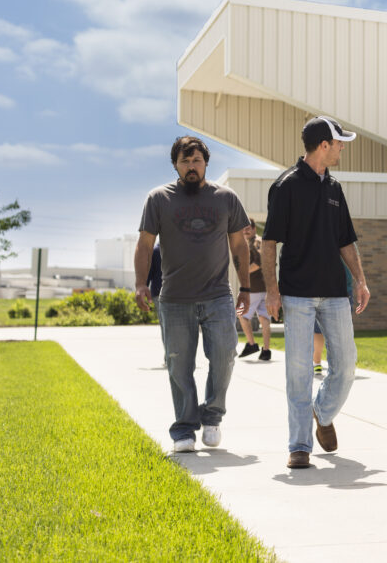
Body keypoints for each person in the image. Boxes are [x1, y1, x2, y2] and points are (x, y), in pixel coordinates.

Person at [262, 116, 371, 469]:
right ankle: (299, 445)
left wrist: (360, 280)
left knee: (347, 366)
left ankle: (321, 413)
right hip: (297, 295)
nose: (343, 147)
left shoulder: (335, 189)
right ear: (324, 144)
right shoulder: (285, 186)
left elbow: (345, 241)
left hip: (335, 294)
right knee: (298, 373)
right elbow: (268, 243)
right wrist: (272, 291)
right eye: (339, 142)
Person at [135, 135, 252, 454]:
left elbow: (239, 245)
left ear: (206, 163)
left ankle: (212, 416)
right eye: (185, 161)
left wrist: (246, 286)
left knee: (226, 355)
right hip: (174, 299)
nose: (191, 166)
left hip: (218, 296)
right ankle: (184, 429)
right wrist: (141, 283)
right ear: (175, 164)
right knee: (178, 365)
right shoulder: (158, 198)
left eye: (196, 160)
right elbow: (145, 244)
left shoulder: (226, 198)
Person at [238, 222, 272, 361]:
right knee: (264, 318)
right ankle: (266, 350)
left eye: (247, 228)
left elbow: (258, 263)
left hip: (254, 288)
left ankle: (251, 344)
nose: (245, 231)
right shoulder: (257, 241)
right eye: (243, 229)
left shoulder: (256, 242)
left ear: (253, 228)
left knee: (240, 313)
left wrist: (244, 272)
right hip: (265, 288)